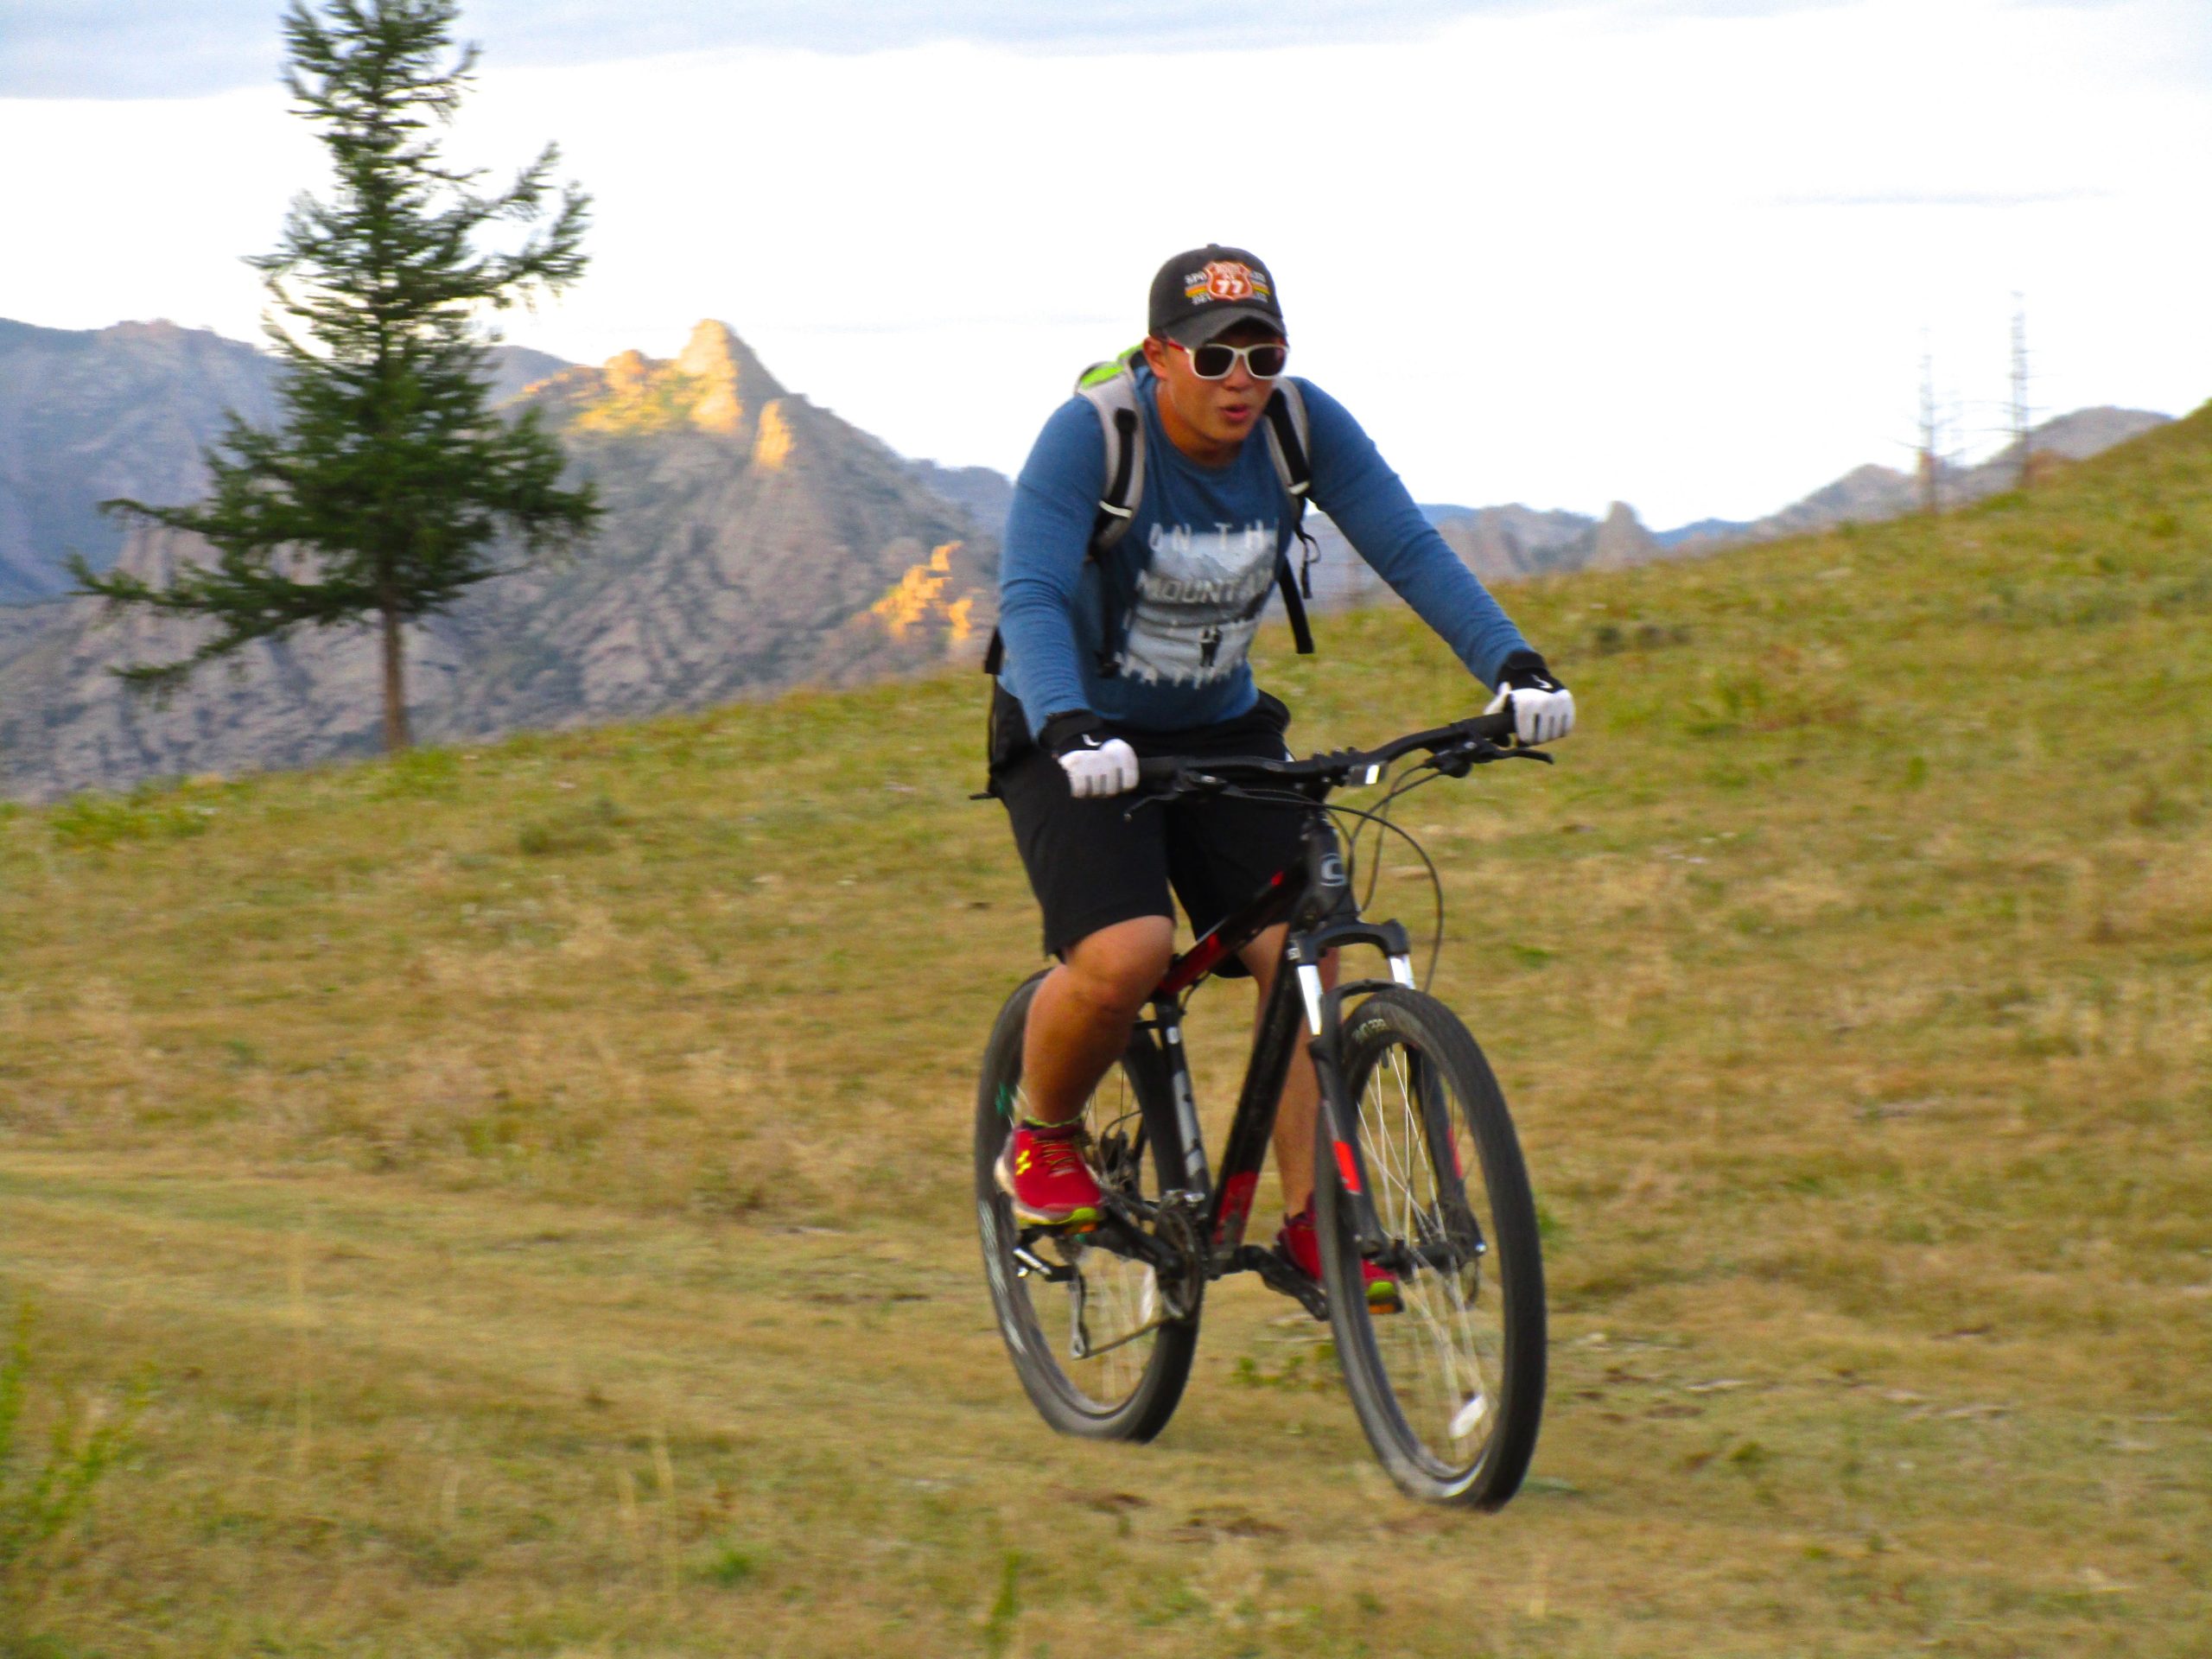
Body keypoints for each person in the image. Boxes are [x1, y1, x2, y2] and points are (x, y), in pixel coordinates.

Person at [987, 245, 1573, 1310]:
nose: (1241, 380)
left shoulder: (1301, 427)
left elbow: (1409, 548)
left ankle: (1318, 1231)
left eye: (1262, 353)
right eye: (1213, 358)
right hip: (1069, 727)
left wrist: (1510, 663)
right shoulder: (1093, 437)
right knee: (1126, 956)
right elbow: (1027, 591)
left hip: (1220, 732)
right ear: (1160, 356)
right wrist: (1069, 725)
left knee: (1313, 954)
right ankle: (1042, 1134)